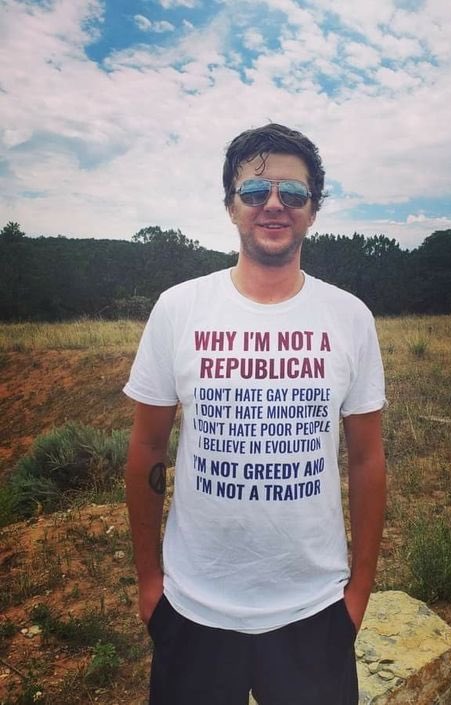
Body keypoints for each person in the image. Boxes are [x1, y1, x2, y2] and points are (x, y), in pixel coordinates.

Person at [124, 123, 387, 705]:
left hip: (315, 610)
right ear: (231, 205)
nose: (274, 204)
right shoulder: (178, 309)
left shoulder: (349, 317)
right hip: (192, 608)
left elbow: (367, 459)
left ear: (313, 210)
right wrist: (150, 584)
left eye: (293, 193)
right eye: (254, 191)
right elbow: (147, 448)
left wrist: (358, 594)